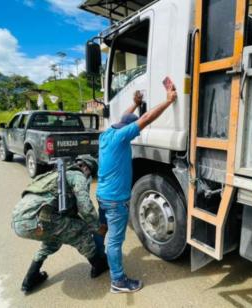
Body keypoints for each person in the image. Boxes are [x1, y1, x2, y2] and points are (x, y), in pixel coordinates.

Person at [97, 83, 178, 293]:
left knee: (102, 230)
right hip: (115, 200)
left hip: (102, 196)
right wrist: (169, 100)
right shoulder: (123, 137)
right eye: (131, 133)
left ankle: (98, 262)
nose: (132, 136)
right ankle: (118, 281)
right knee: (115, 242)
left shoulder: (107, 135)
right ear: (127, 131)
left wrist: (134, 104)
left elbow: (125, 118)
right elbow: (146, 119)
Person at [12, 155, 108, 294]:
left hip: (19, 221)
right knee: (81, 231)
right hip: (39, 218)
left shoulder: (56, 175)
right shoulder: (77, 175)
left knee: (52, 240)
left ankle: (30, 280)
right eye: (91, 175)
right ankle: (98, 266)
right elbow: (85, 207)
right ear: (86, 168)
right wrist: (97, 227)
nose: (90, 179)